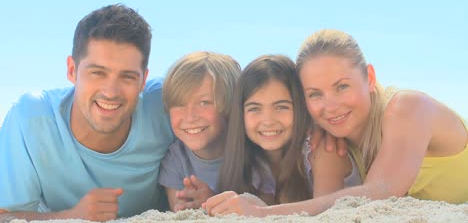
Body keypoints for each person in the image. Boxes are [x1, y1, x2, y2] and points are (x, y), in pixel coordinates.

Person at [204, 29, 468, 217]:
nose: (330, 106)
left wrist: (262, 213)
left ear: (370, 77)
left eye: (342, 86)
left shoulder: (408, 108)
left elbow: (379, 192)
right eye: (315, 94)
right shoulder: (329, 134)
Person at [0, 4, 174, 221]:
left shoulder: (166, 103)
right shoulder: (31, 118)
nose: (111, 93)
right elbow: (4, 216)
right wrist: (72, 217)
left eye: (127, 76)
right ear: (72, 70)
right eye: (98, 73)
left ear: (143, 80)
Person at [204, 54, 362, 213]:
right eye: (254, 108)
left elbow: (327, 212)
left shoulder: (323, 149)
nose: (268, 120)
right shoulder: (252, 161)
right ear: (241, 114)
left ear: (300, 107)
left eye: (281, 107)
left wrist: (258, 213)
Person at [158, 51, 241, 212]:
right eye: (180, 104)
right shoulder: (176, 160)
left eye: (204, 103)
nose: (190, 117)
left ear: (230, 105)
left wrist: (211, 202)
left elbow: (263, 209)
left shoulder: (251, 154)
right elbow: (180, 213)